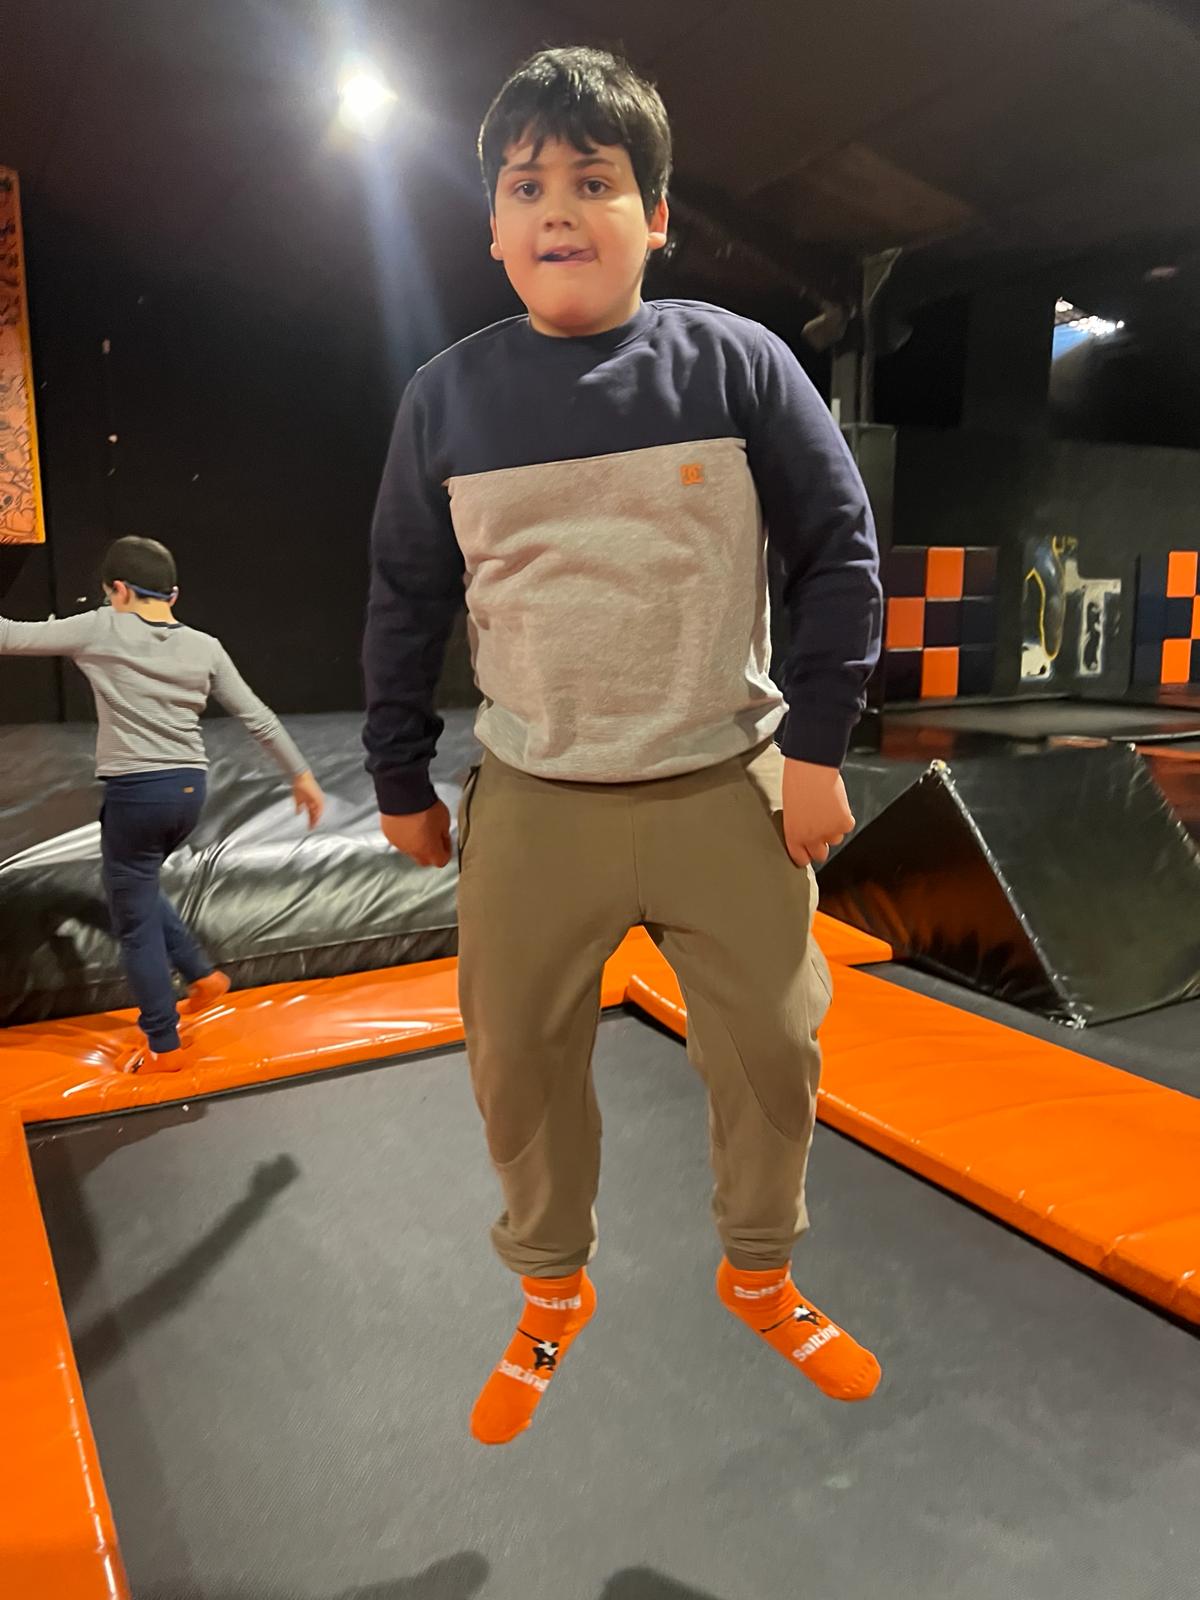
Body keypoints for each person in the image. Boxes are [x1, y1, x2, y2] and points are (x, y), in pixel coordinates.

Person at [362, 46, 884, 1446]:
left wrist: (819, 748)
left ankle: (761, 1274)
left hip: (727, 782)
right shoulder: (446, 399)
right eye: (527, 185)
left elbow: (840, 552)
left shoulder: (737, 362)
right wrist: (399, 772)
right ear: (492, 227)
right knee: (516, 1062)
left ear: (655, 217)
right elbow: (406, 595)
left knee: (774, 1047)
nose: (558, 208)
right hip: (540, 796)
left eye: (593, 182)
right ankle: (551, 1289)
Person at [0, 535, 324, 1070]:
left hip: (137, 794)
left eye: (110, 595)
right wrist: (302, 777)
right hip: (189, 791)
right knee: (138, 881)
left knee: (134, 924)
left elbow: (8, 636)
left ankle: (163, 1045)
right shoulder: (205, 645)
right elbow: (258, 718)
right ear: (173, 595)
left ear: (119, 590)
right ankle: (201, 975)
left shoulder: (103, 626)